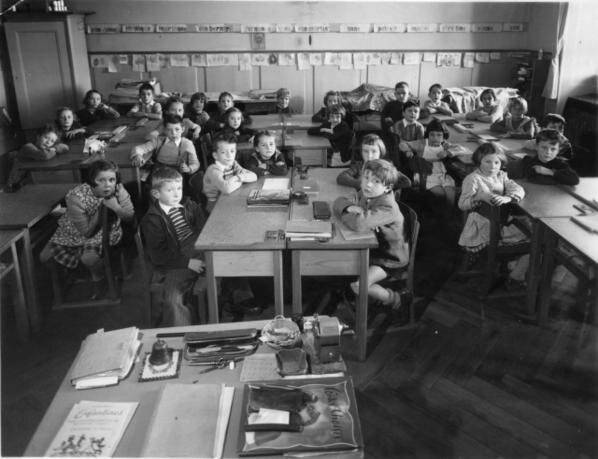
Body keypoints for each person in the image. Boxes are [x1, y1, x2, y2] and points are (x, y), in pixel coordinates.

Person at [40, 160, 134, 299]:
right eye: (101, 180)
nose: (107, 184)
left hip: (106, 230)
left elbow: (130, 217)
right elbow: (86, 232)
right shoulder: (76, 197)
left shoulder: (119, 190)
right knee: (44, 256)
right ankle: (76, 274)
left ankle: (99, 278)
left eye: (111, 179)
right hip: (76, 230)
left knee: (89, 258)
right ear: (92, 180)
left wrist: (116, 207)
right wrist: (101, 209)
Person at [333, 159, 411, 319]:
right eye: (366, 178)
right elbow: (340, 200)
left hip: (390, 259)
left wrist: (349, 212)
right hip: (375, 249)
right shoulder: (368, 194)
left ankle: (395, 299)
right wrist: (348, 207)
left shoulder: (387, 206)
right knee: (340, 264)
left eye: (376, 181)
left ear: (387, 187)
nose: (368, 184)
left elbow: (358, 224)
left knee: (359, 286)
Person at [141, 167, 207, 326]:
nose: (177, 193)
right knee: (172, 300)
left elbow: (204, 228)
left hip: (200, 245)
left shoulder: (189, 205)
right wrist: (187, 263)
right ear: (156, 194)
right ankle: (182, 336)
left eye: (179, 188)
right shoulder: (152, 220)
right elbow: (158, 256)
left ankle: (230, 300)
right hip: (176, 258)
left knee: (227, 265)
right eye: (170, 190)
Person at [458, 143, 527, 282]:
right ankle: (517, 268)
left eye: (497, 162)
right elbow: (462, 204)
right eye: (487, 161)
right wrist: (478, 197)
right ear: (479, 161)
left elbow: (518, 188)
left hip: (499, 222)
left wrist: (507, 197)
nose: (493, 166)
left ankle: (514, 264)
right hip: (482, 228)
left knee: (527, 226)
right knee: (534, 237)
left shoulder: (501, 175)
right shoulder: (472, 179)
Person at [403, 119, 456, 209]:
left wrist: (448, 152)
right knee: (441, 194)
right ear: (428, 135)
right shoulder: (423, 144)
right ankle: (441, 215)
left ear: (444, 136)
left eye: (439, 135)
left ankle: (449, 215)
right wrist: (408, 150)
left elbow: (462, 149)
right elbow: (403, 144)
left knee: (450, 194)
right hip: (425, 175)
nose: (435, 138)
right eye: (432, 135)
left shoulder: (443, 144)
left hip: (441, 175)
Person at [130, 114, 200, 177]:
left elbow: (195, 163)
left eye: (177, 129)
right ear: (165, 130)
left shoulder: (187, 143)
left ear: (183, 129)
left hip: (177, 173)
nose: (173, 133)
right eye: (169, 130)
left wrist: (188, 169)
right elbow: (139, 148)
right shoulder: (159, 140)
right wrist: (138, 155)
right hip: (158, 170)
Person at [203, 132, 257, 212]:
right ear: (215, 156)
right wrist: (241, 179)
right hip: (215, 207)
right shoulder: (213, 170)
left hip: (229, 198)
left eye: (232, 151)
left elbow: (254, 176)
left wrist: (239, 177)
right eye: (224, 152)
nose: (229, 156)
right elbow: (227, 188)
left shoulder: (233, 164)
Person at [5, 124, 69, 192]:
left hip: (29, 180)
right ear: (38, 136)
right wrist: (55, 149)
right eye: (46, 137)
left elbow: (65, 147)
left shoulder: (46, 149)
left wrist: (54, 148)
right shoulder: (28, 147)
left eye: (52, 141)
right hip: (14, 185)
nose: (48, 142)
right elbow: (44, 156)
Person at [337, 133, 410, 191]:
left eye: (374, 151)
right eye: (365, 151)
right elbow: (341, 177)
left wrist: (383, 186)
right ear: (361, 152)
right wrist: (362, 184)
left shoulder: (385, 167)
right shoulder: (359, 165)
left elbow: (406, 182)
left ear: (380, 152)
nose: (369, 156)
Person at [509, 129, 579, 185]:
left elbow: (574, 180)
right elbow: (534, 178)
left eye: (553, 149)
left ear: (558, 150)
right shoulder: (528, 161)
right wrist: (559, 179)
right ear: (536, 147)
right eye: (544, 147)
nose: (548, 152)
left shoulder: (560, 163)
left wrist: (551, 172)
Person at [390, 100, 424, 173]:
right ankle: (398, 172)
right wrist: (407, 150)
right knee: (397, 157)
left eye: (416, 111)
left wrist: (412, 150)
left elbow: (419, 142)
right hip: (399, 149)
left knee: (418, 157)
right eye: (409, 111)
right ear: (403, 113)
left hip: (414, 150)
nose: (413, 113)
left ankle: (414, 174)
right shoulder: (398, 124)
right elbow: (399, 140)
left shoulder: (419, 127)